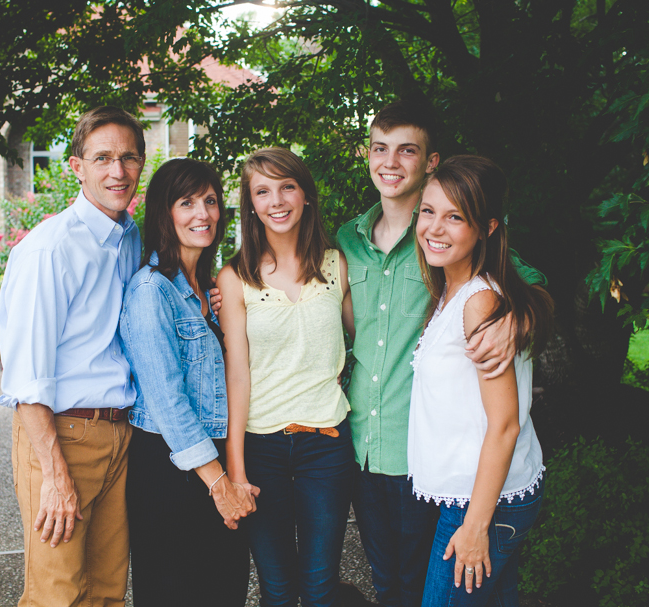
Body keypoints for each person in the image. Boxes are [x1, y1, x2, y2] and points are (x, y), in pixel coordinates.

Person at [336, 101, 545, 607]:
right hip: (371, 446)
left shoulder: (465, 271)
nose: (390, 162)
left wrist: (518, 316)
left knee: (426, 589)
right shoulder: (349, 241)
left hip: (443, 473)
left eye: (407, 150)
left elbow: (525, 286)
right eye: (380, 148)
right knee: (398, 584)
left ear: (430, 161)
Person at [0, 106, 144, 606]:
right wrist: (55, 475)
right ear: (76, 167)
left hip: (119, 435)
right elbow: (25, 381)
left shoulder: (129, 238)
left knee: (106, 593)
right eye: (102, 158)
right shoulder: (49, 250)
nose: (117, 172)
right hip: (61, 437)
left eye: (128, 158)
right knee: (56, 596)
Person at [408, 155, 553, 606]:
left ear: (487, 227)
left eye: (455, 217)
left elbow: (505, 423)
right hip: (479, 493)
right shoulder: (454, 291)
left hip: (482, 502)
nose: (435, 227)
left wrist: (475, 526)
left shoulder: (480, 301)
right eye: (429, 211)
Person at [217, 147, 355, 607]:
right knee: (276, 589)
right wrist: (235, 469)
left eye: (286, 186)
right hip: (261, 448)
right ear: (251, 205)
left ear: (306, 195)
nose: (276, 200)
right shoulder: (235, 278)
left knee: (319, 587)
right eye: (262, 191)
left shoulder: (338, 266)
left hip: (327, 443)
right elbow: (238, 376)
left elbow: (374, 336)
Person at [118, 158, 257, 607]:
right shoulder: (150, 290)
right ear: (165, 212)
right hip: (169, 469)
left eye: (211, 201)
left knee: (224, 589)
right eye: (187, 202)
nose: (203, 214)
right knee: (175, 593)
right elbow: (168, 402)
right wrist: (220, 485)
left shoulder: (208, 289)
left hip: (214, 459)